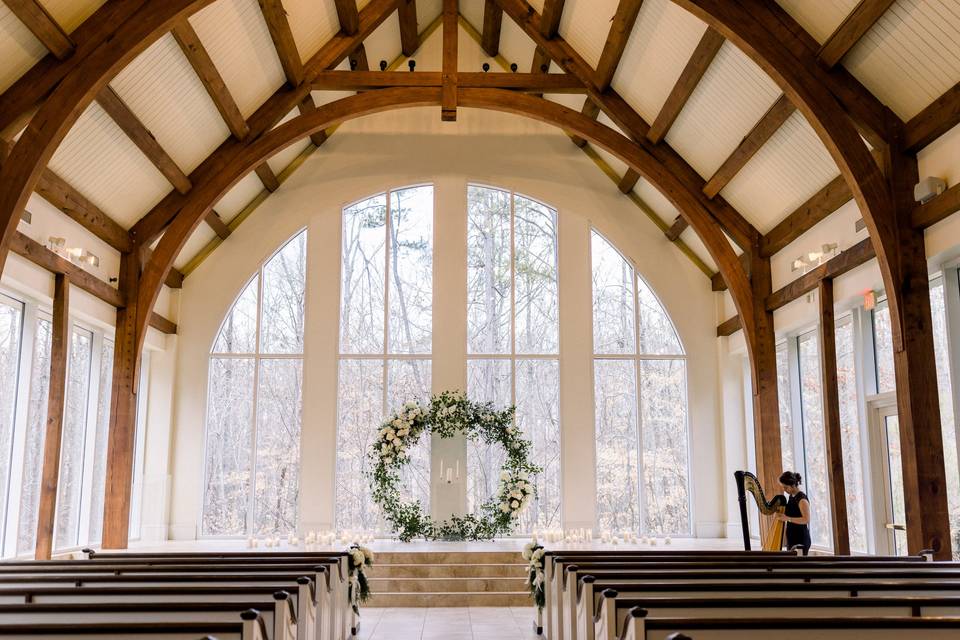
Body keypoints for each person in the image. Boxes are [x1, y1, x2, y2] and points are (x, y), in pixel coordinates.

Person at [774, 471, 811, 555]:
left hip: (800, 539)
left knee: (798, 567)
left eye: (786, 487)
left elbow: (806, 519)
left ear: (793, 485)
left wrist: (787, 518)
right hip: (792, 538)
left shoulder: (802, 499)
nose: (784, 489)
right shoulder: (791, 496)